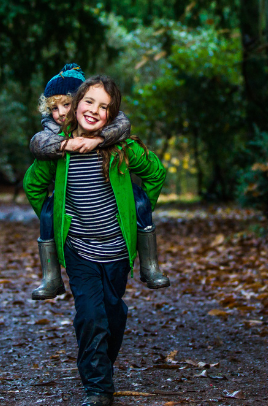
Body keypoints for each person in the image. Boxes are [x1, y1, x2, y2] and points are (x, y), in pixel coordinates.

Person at [24, 75, 167, 406]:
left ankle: (101, 366)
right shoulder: (59, 151)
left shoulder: (122, 148)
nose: (93, 110)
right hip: (80, 249)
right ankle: (98, 389)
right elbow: (33, 186)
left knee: (113, 314)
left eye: (103, 107)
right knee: (90, 315)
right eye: (88, 101)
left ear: (111, 115)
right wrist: (56, 219)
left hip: (117, 250)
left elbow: (156, 174)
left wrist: (136, 213)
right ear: (76, 105)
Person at [28, 64, 169, 301]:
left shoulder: (116, 133)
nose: (62, 113)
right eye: (54, 108)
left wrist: (100, 140)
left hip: (116, 240)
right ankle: (51, 276)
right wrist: (60, 212)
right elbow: (34, 173)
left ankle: (149, 263)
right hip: (78, 242)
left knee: (139, 202)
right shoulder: (52, 140)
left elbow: (124, 127)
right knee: (49, 213)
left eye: (67, 104)